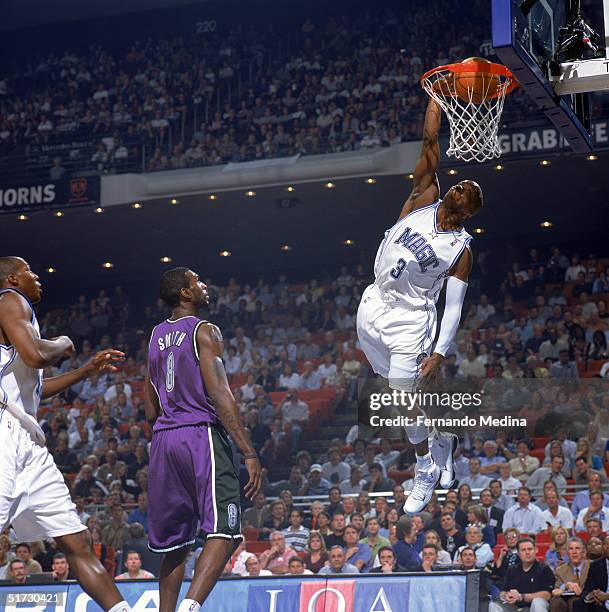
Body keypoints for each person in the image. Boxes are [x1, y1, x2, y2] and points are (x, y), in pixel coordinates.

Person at [356, 95, 482, 513]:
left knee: (402, 397)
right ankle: (441, 436)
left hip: (411, 319)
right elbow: (430, 143)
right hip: (373, 303)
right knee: (399, 397)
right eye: (461, 183)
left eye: (468, 191)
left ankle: (425, 467)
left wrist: (440, 352)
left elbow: (453, 306)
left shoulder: (461, 248)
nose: (460, 186)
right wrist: (435, 100)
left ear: (470, 211)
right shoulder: (422, 197)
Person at [0, 256, 131, 612]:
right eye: (29, 271)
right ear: (12, 278)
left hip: (26, 438)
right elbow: (38, 354)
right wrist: (66, 342)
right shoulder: (10, 300)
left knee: (77, 542)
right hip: (3, 437)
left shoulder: (18, 318)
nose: (37, 276)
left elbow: (37, 387)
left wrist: (85, 370)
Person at [144, 267, 262, 612]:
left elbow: (149, 406)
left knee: (174, 544)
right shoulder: (205, 330)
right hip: (200, 434)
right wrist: (248, 452)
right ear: (184, 292)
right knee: (224, 531)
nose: (203, 285)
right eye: (197, 281)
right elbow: (221, 394)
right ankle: (191, 607)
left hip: (164, 439)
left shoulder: (153, 336)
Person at [491, 537, 553, 611]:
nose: (527, 552)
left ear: (536, 550)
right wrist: (507, 595)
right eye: (523, 550)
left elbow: (547, 595)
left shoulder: (544, 569)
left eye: (530, 549)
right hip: (515, 607)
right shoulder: (512, 570)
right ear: (518, 553)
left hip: (534, 607)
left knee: (537, 602)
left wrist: (521, 597)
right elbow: (503, 592)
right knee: (493, 605)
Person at [550, 537, 589, 612]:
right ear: (567, 553)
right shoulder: (560, 570)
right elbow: (556, 589)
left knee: (575, 601)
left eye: (577, 548)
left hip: (587, 598)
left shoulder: (592, 566)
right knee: (556, 601)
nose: (574, 552)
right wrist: (565, 586)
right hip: (566, 600)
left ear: (584, 552)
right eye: (571, 549)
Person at [575, 535, 609, 611]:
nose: (608, 546)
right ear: (603, 547)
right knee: (578, 603)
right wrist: (591, 595)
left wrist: (607, 596)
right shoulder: (595, 565)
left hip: (605, 598)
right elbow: (587, 589)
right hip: (601, 604)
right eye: (606, 544)